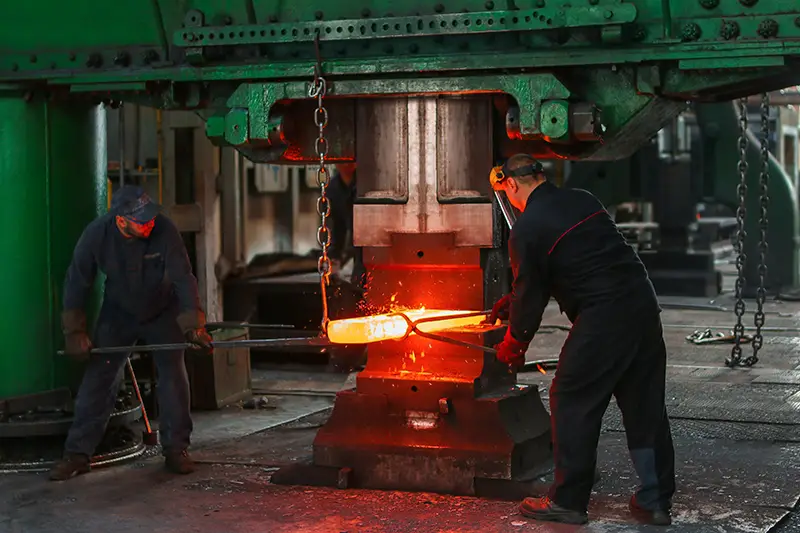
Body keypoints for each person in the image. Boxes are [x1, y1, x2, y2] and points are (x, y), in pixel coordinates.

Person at [488, 154, 675, 526]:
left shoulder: (526, 228)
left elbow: (532, 297)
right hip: (641, 306)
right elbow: (582, 260)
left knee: (570, 396)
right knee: (644, 405)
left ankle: (569, 500)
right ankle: (655, 500)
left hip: (604, 317)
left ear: (509, 184)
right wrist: (514, 302)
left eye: (506, 193)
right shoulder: (583, 199)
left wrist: (513, 344)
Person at [50, 185, 213, 481]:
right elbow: (77, 281)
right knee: (100, 377)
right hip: (119, 313)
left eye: (150, 216)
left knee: (173, 376)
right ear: (120, 220)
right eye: (141, 220)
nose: (150, 222)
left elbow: (183, 276)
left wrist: (193, 325)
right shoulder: (97, 234)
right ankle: (77, 454)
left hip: (163, 310)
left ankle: (176, 449)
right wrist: (74, 331)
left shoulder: (164, 229)